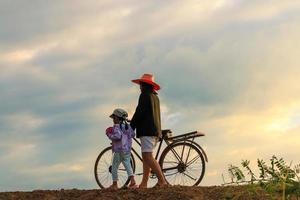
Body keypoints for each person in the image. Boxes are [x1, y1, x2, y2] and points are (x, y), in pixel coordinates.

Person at [130, 73, 168, 188]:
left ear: (144, 85)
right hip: (155, 130)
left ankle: (162, 181)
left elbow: (139, 112)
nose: (139, 87)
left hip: (147, 130)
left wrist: (131, 125)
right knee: (145, 156)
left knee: (147, 156)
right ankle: (144, 183)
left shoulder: (144, 96)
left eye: (141, 84)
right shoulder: (155, 97)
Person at [106, 108, 137, 189]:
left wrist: (109, 134)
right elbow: (133, 134)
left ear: (116, 118)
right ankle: (133, 182)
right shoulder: (127, 126)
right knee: (127, 165)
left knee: (114, 166)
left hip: (119, 150)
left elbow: (117, 136)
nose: (113, 120)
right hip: (127, 149)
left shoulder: (116, 126)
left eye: (113, 118)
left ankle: (115, 184)